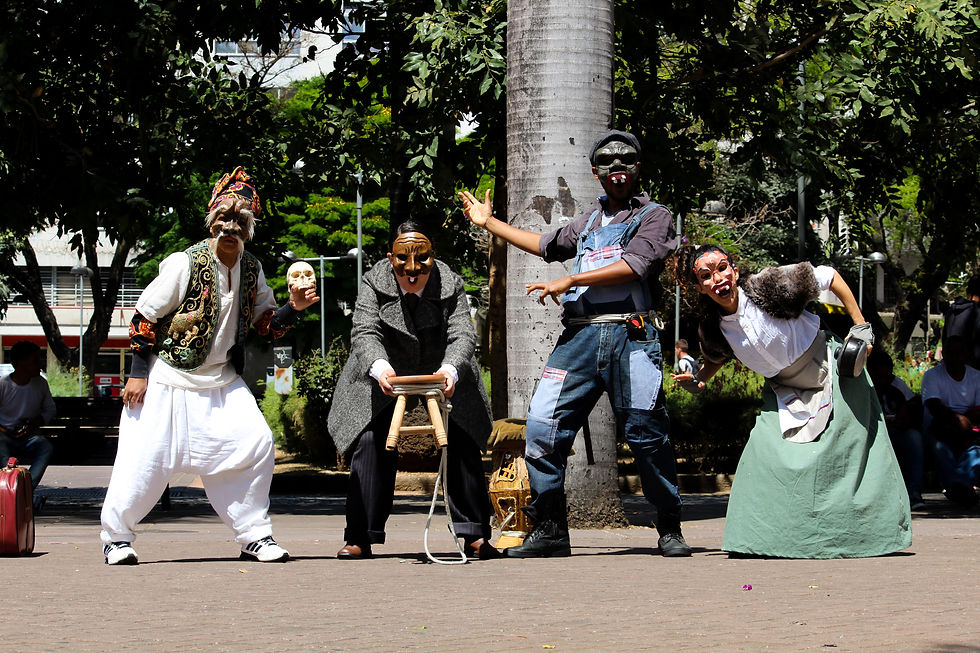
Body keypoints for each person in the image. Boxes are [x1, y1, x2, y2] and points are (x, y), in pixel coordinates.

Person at [459, 129, 691, 558]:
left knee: (646, 434)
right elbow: (545, 246)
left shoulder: (656, 217)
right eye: (607, 161)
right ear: (595, 171)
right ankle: (549, 529)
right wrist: (488, 223)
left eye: (626, 160)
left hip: (632, 337)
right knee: (543, 428)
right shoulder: (586, 224)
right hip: (578, 339)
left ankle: (669, 529)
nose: (616, 167)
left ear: (638, 167)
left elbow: (633, 265)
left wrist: (572, 278)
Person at [99, 167, 319, 565]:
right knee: (144, 460)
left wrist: (294, 307)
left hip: (221, 381)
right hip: (168, 377)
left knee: (256, 444)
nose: (230, 228)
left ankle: (254, 535)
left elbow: (266, 325)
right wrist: (137, 372)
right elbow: (145, 315)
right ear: (212, 222)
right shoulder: (184, 263)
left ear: (249, 228)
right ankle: (116, 537)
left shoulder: (252, 269)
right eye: (223, 220)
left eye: (239, 221)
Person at [672, 244, 911, 558]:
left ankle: (869, 537)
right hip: (785, 391)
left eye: (722, 268)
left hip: (832, 371)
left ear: (735, 270)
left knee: (852, 458)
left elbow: (830, 276)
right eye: (706, 275)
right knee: (761, 458)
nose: (717, 278)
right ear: (700, 287)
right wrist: (696, 381)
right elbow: (714, 362)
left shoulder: (768, 287)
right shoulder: (712, 329)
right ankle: (755, 541)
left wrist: (860, 326)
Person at [327, 221, 496, 560]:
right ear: (392, 258)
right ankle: (361, 534)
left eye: (422, 263)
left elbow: (463, 334)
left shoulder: (450, 283)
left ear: (432, 257)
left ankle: (474, 532)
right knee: (370, 441)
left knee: (461, 436)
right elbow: (363, 332)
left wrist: (450, 369)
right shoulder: (373, 281)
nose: (412, 272)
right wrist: (380, 367)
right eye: (403, 264)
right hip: (383, 371)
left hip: (442, 368)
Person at [920, 334, 980, 507]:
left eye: (959, 352)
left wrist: (965, 422)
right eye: (950, 353)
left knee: (975, 452)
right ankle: (961, 488)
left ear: (966, 354)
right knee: (940, 448)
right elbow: (933, 405)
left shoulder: (976, 376)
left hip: (969, 429)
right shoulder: (933, 376)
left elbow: (978, 412)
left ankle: (957, 486)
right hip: (939, 426)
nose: (954, 357)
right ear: (943, 354)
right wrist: (958, 419)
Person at [867, 348, 926, 510]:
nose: (884, 381)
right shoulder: (862, 388)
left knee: (914, 438)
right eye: (879, 376)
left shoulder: (895, 388)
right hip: (870, 432)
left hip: (894, 430)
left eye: (888, 376)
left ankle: (914, 492)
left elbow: (906, 414)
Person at [0, 341, 56, 505]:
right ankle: (15, 491)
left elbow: (49, 410)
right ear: (20, 362)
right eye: (34, 361)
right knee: (1, 448)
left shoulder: (40, 384)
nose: (39, 365)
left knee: (45, 447)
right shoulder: (3, 385)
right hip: (4, 435)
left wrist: (34, 422)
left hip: (28, 435)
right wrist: (6, 431)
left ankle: (21, 491)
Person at [942, 275, 980, 369]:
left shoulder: (951, 312)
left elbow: (944, 340)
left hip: (952, 372)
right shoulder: (977, 312)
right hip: (974, 373)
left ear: (967, 292)